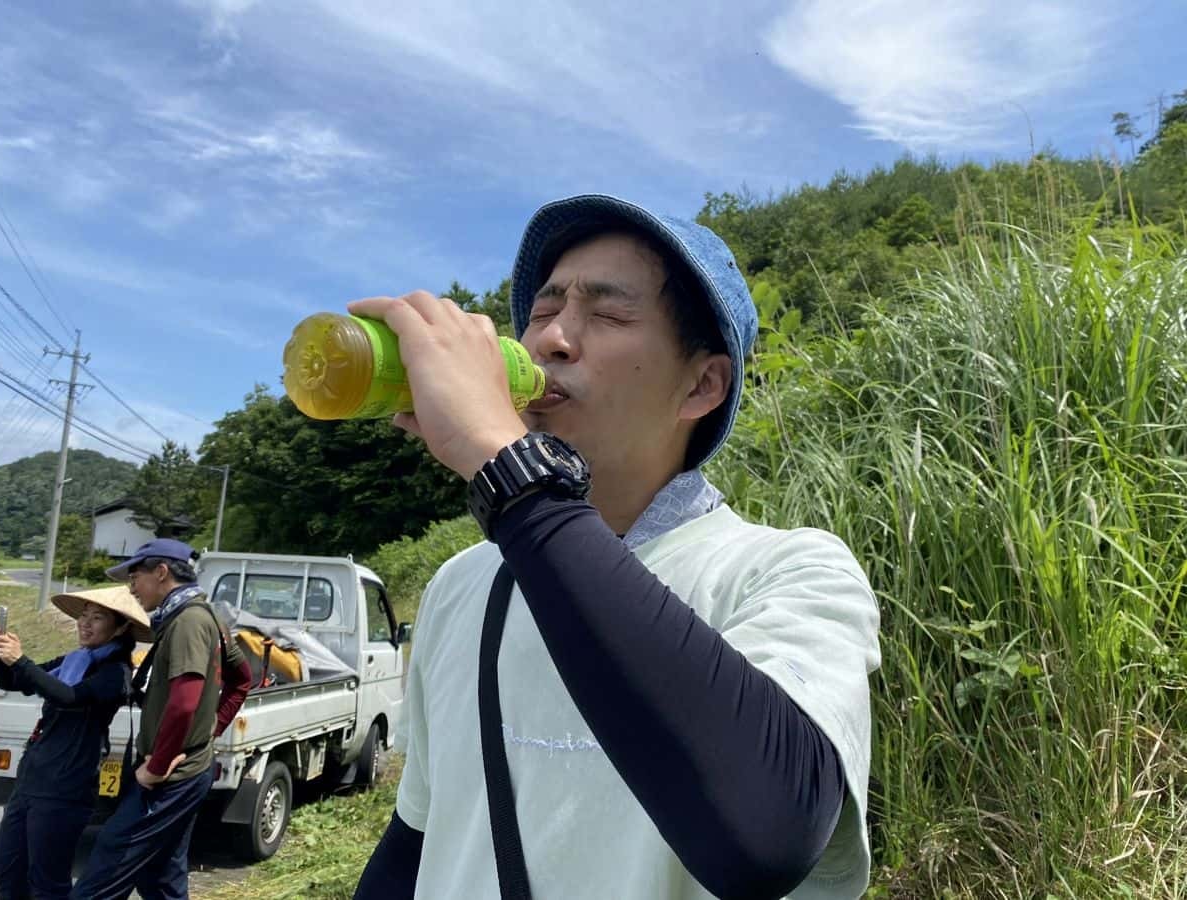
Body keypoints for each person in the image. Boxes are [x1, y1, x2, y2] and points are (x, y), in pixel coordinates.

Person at [352, 194, 882, 899]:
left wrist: (505, 470)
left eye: (606, 313)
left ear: (701, 384)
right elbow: (422, 837)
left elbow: (766, 831)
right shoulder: (462, 582)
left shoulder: (784, 573)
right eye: (542, 311)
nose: (551, 338)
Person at [70, 538, 252, 900]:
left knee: (109, 860)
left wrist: (159, 764)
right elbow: (242, 678)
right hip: (187, 770)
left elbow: (185, 703)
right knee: (162, 875)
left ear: (162, 572)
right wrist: (210, 730)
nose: (132, 587)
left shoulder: (188, 622)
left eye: (135, 576)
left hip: (169, 778)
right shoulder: (207, 616)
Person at [0, 586, 150, 900]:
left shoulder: (115, 673)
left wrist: (20, 660)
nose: (85, 623)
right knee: (9, 878)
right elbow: (14, 681)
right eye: (83, 616)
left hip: (65, 789)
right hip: (30, 781)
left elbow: (69, 697)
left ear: (120, 628)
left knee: (47, 885)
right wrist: (2, 656)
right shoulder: (74, 659)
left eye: (97, 617)